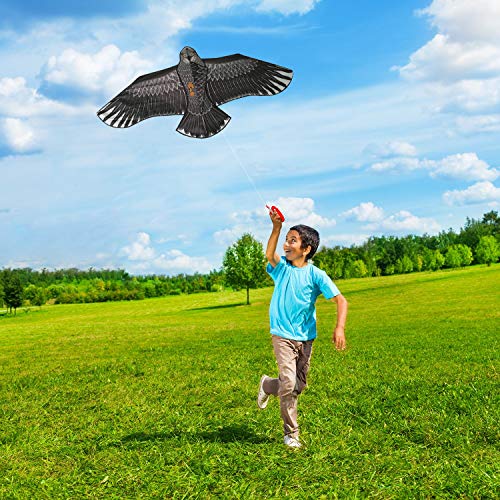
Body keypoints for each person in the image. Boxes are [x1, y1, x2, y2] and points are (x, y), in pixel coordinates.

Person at [258, 208, 348, 449]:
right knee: (288, 383)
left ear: (306, 249)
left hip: (305, 337)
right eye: (286, 240)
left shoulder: (316, 275)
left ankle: (267, 385)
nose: (286, 245)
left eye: (292, 241)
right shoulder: (282, 269)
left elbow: (341, 300)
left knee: (298, 385)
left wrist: (339, 328)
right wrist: (276, 228)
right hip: (282, 334)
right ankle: (291, 433)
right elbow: (269, 253)